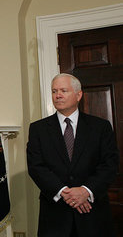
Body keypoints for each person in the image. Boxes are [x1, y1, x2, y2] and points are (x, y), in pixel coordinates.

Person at [27, 73, 119, 237]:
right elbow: (36, 167)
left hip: (92, 213)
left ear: (78, 95)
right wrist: (64, 192)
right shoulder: (38, 129)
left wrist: (85, 191)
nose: (58, 95)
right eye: (54, 91)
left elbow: (109, 165)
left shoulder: (100, 127)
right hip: (56, 215)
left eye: (63, 90)